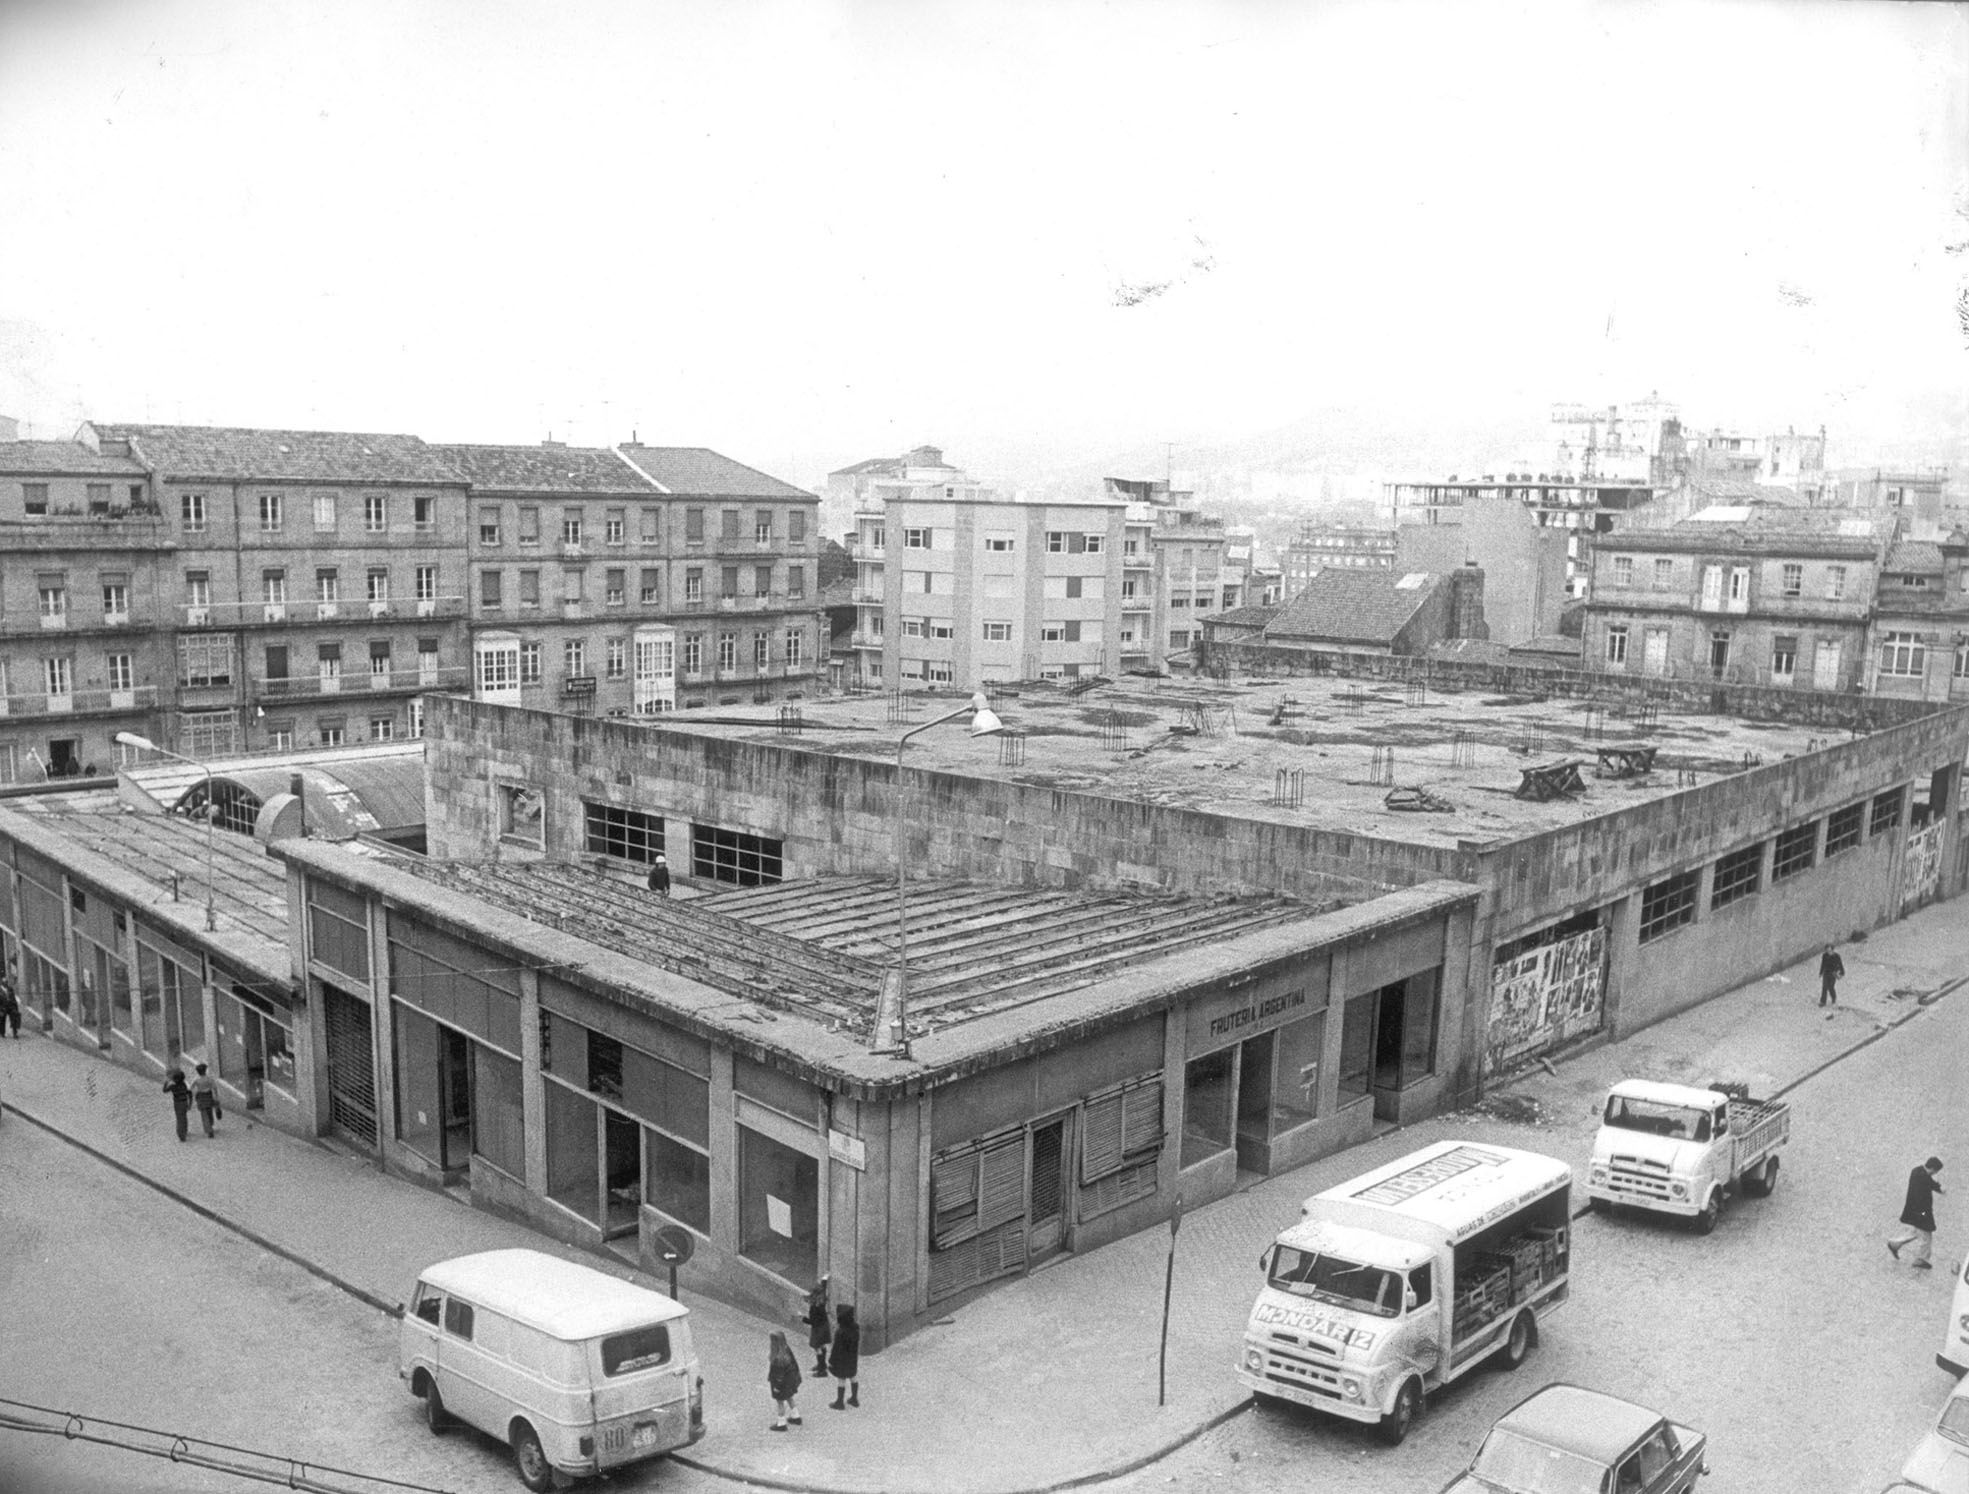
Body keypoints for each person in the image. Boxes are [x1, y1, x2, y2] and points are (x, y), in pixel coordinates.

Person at [1889, 1156, 1945, 1268]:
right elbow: (1933, 1185)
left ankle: (1895, 1244)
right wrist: (1940, 1188)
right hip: (1922, 1212)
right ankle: (1922, 1259)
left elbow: (1930, 1183)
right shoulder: (1924, 1177)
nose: (1935, 1173)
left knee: (1917, 1231)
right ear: (1933, 1168)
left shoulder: (1917, 1171)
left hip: (1914, 1211)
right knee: (1926, 1235)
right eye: (1936, 1171)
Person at [767, 1330, 802, 1431]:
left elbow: (778, 1377)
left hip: (780, 1384)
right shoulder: (786, 1349)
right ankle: (796, 1416)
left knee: (780, 1402)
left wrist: (777, 1388)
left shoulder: (778, 1359)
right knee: (789, 1397)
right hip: (790, 1381)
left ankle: (781, 1424)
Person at [828, 1303, 860, 1410]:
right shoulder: (856, 1327)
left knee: (841, 1379)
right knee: (853, 1377)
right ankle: (854, 1399)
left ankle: (839, 1402)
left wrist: (831, 1361)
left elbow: (836, 1349)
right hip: (852, 1358)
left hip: (842, 1360)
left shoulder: (840, 1332)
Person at [802, 1279, 831, 1377]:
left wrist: (803, 1318)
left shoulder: (814, 1308)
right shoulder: (822, 1302)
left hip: (818, 1329)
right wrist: (824, 1280)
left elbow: (812, 1322)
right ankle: (822, 1365)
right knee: (822, 1346)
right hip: (824, 1326)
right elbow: (823, 1289)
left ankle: (822, 1370)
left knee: (817, 1348)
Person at [190, 1061, 222, 1138]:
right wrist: (216, 1097)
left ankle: (209, 1129)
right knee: (209, 1111)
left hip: (201, 1096)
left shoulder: (196, 1079)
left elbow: (191, 1088)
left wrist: (194, 1095)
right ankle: (211, 1125)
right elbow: (214, 1088)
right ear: (205, 1070)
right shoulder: (209, 1078)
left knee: (204, 1114)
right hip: (209, 1096)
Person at [162, 1068, 193, 1143]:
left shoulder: (173, 1086)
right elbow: (190, 1094)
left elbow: (164, 1090)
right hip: (184, 1102)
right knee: (184, 1117)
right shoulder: (184, 1085)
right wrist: (190, 1104)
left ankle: (181, 1135)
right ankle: (185, 1130)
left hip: (177, 1103)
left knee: (179, 1119)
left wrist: (166, 1083)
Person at [0, 973, 20, 1039]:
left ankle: (15, 1033)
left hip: (11, 1006)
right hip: (3, 1007)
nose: (5, 983)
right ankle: (2, 1033)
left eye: (6, 981)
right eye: (4, 981)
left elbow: (13, 998)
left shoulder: (10, 989)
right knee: (2, 1020)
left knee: (14, 1019)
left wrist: (16, 1007)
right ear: (1, 982)